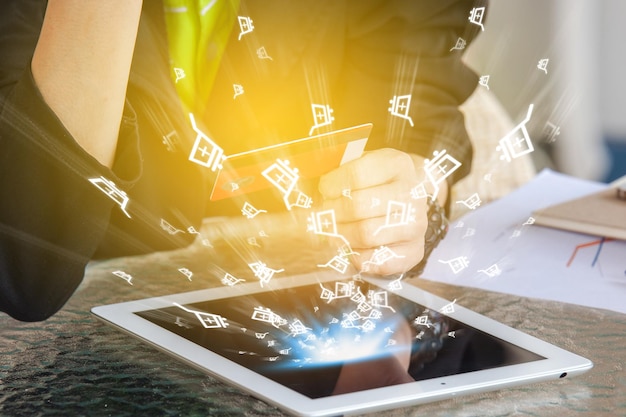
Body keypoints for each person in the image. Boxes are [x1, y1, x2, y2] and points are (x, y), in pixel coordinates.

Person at [0, 0, 485, 322]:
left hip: (282, 283)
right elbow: (29, 264)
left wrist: (412, 187)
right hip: (75, 312)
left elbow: (416, 94)